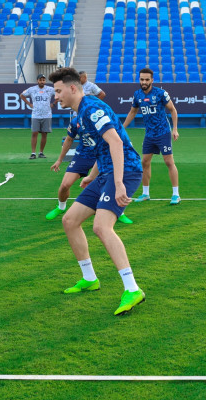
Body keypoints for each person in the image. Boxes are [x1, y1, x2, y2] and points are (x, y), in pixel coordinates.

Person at [50, 67, 145, 315]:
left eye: (58, 91)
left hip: (124, 171)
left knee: (101, 227)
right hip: (105, 173)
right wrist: (92, 176)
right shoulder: (81, 112)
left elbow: (115, 141)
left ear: (73, 88)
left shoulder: (92, 109)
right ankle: (90, 278)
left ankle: (132, 288)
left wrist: (120, 183)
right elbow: (101, 147)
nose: (56, 97)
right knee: (70, 220)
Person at [48, 118, 132, 225]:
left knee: (110, 185)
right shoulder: (75, 122)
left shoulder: (101, 120)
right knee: (65, 185)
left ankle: (120, 213)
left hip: (101, 156)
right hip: (82, 156)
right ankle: (61, 207)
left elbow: (115, 140)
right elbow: (69, 140)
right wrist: (59, 160)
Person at [121, 68, 181, 204]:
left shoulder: (160, 93)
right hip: (149, 134)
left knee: (169, 162)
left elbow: (173, 110)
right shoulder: (137, 95)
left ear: (152, 80)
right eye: (142, 79)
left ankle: (176, 195)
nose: (144, 82)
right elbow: (132, 112)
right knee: (145, 162)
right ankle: (145, 193)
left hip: (163, 133)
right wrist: (122, 128)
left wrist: (175, 129)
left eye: (147, 79)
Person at [20, 74, 54, 159]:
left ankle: (41, 152)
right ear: (37, 81)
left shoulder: (49, 89)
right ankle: (33, 153)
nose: (42, 81)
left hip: (47, 114)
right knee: (34, 133)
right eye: (40, 80)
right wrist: (29, 104)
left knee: (44, 134)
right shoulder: (32, 89)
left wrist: (54, 103)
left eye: (43, 80)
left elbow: (59, 94)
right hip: (35, 114)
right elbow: (22, 95)